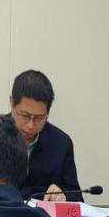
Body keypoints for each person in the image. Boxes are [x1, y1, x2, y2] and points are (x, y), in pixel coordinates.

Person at [9, 69, 80, 201]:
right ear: (12, 103)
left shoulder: (61, 143)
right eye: (25, 116)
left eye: (39, 118)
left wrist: (63, 195)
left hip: (42, 213)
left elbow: (77, 196)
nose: (31, 125)